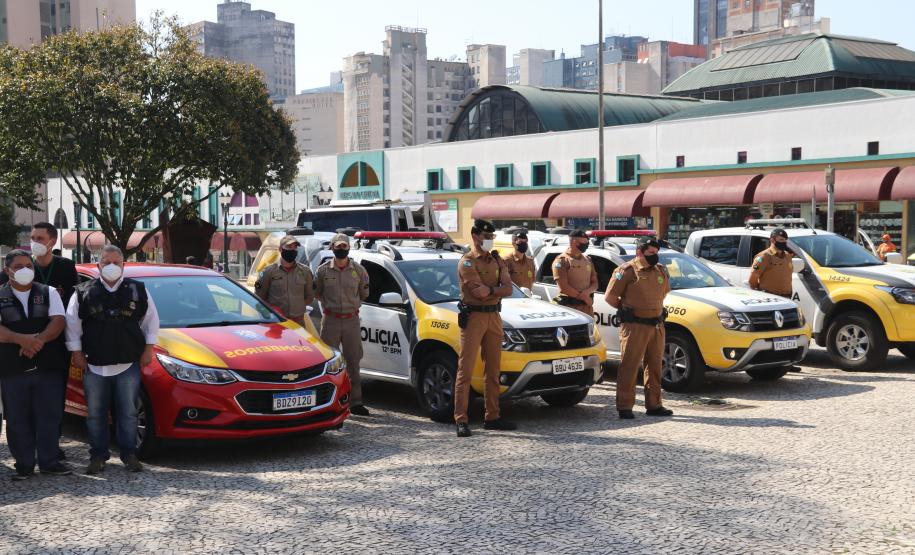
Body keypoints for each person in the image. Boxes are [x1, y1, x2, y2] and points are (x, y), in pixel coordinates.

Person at [65, 245, 159, 474]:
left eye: (117, 262)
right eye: (106, 262)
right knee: (96, 414)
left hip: (127, 364)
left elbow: (151, 322)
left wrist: (148, 350)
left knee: (128, 412)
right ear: (98, 265)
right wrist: (76, 353)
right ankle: (98, 456)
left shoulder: (138, 290)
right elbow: (72, 325)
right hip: (94, 364)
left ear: (123, 265)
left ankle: (129, 455)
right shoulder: (83, 292)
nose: (112, 266)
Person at [0, 222, 79, 461]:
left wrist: (37, 341)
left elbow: (60, 319)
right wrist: (21, 339)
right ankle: (24, 462)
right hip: (12, 365)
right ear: (7, 269)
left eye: (27, 266)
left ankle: (50, 457)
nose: (24, 269)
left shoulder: (51, 287)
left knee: (50, 412)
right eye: (18, 266)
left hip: (49, 359)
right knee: (16, 416)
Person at [454, 219, 515, 437]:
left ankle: (493, 416)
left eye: (492, 237)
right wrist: (495, 289)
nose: (489, 240)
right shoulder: (467, 262)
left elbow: (509, 289)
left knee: (493, 370)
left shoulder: (497, 260)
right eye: (486, 236)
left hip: (494, 317)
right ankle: (461, 418)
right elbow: (478, 293)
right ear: (475, 235)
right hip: (474, 318)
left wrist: (491, 290)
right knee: (466, 370)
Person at [604, 236, 673, 419]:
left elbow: (664, 293)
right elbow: (610, 297)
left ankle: (654, 404)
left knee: (656, 366)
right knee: (630, 365)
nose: (655, 256)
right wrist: (626, 310)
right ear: (639, 252)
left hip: (656, 325)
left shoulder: (660, 271)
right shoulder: (626, 271)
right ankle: (625, 406)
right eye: (650, 253)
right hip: (635, 326)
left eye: (656, 253)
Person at [314, 233, 370, 417]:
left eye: (344, 246)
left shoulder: (359, 270)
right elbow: (318, 293)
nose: (341, 249)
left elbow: (363, 294)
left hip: (351, 320)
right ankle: (328, 403)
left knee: (353, 362)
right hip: (330, 320)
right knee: (329, 363)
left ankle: (356, 402)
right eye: (338, 247)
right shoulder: (322, 271)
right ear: (332, 248)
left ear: (349, 248)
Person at [255, 235, 314, 325]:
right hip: (277, 324)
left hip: (298, 322)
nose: (292, 250)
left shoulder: (305, 271)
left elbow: (309, 297)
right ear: (280, 249)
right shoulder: (269, 271)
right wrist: (268, 317)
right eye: (289, 247)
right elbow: (259, 299)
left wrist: (297, 306)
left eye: (295, 247)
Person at [552, 228, 598, 316]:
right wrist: (584, 297)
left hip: (587, 308)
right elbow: (563, 287)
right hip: (570, 309)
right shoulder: (562, 260)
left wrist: (587, 293)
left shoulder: (588, 260)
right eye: (584, 241)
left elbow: (595, 283)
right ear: (574, 242)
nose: (587, 244)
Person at [749, 228, 794, 298]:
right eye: (781, 240)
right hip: (770, 297)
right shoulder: (763, 256)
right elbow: (752, 280)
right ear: (772, 240)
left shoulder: (787, 256)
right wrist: (762, 295)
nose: (784, 242)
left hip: (787, 297)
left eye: (785, 240)